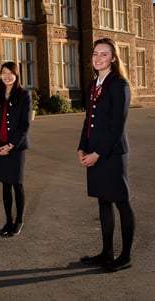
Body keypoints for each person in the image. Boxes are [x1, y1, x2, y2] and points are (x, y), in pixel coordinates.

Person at [78, 38, 135, 272]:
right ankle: (106, 252)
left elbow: (117, 125)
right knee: (103, 201)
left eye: (104, 54)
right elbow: (88, 119)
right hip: (94, 151)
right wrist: (82, 147)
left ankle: (125, 256)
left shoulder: (119, 85)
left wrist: (98, 154)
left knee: (121, 202)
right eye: (95, 54)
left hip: (112, 153)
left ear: (113, 58)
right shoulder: (94, 85)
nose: (98, 58)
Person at [0, 62, 31, 237]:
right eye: (4, 73)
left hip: (16, 147)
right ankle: (8, 220)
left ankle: (19, 220)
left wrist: (11, 145)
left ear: (16, 75)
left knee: (17, 183)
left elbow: (24, 125)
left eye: (10, 73)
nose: (7, 76)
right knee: (5, 184)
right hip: (0, 146)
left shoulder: (24, 95)